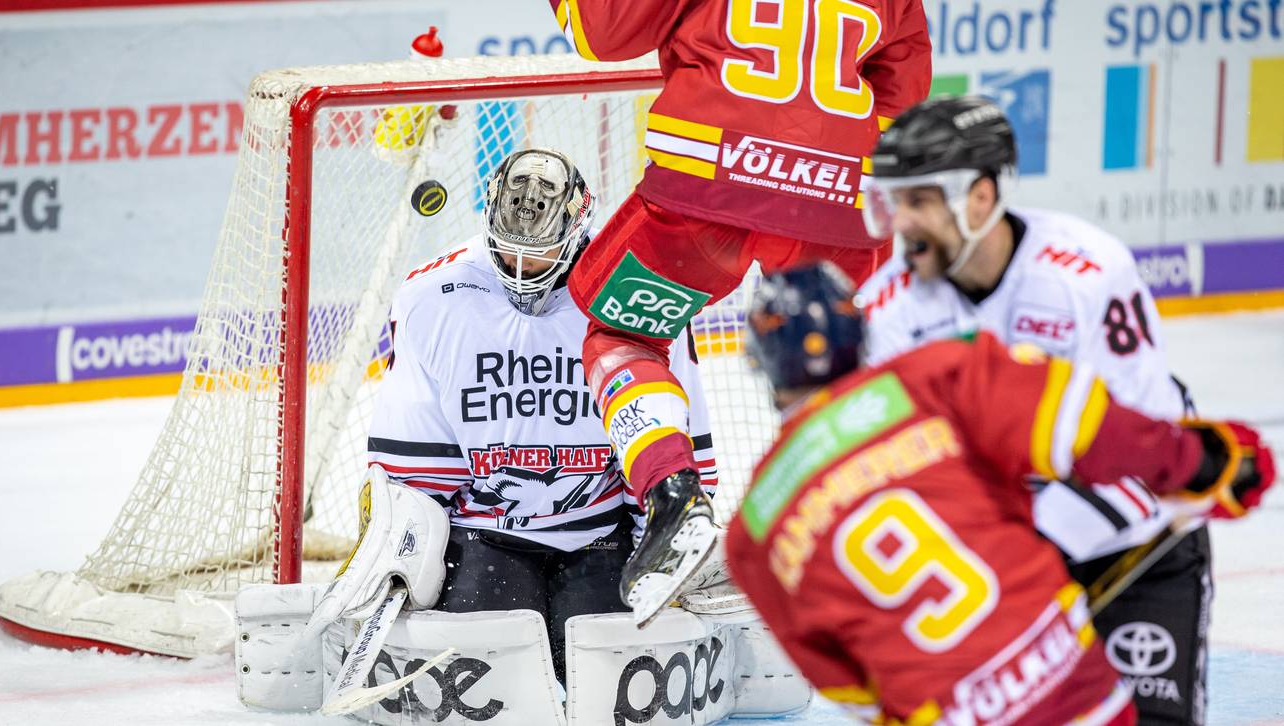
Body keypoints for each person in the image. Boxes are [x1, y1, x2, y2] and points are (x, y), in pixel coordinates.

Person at [724, 264, 1274, 726]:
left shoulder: (752, 531)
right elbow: (1089, 427)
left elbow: (843, 682)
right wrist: (1207, 463)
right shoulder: (931, 376)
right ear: (861, 333)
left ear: (760, 361)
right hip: (1073, 692)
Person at [547, 0, 933, 620]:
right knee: (829, 363)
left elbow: (602, 34)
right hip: (839, 197)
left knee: (622, 337)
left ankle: (672, 495)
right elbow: (902, 90)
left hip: (712, 179)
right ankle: (865, 526)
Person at [856, 94, 1232, 723]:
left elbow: (1146, 450)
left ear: (979, 198)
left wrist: (1015, 562)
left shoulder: (1085, 275)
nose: (902, 223)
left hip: (1140, 547)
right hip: (1008, 566)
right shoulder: (887, 308)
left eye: (919, 200)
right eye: (894, 202)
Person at [364, 148, 717, 682]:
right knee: (492, 681)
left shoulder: (634, 293)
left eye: (541, 254)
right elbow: (416, 463)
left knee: (605, 686)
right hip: (485, 533)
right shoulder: (432, 297)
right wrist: (402, 550)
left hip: (601, 533)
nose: (523, 270)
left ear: (577, 231)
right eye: (508, 255)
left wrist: (663, 543)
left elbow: (669, 435)